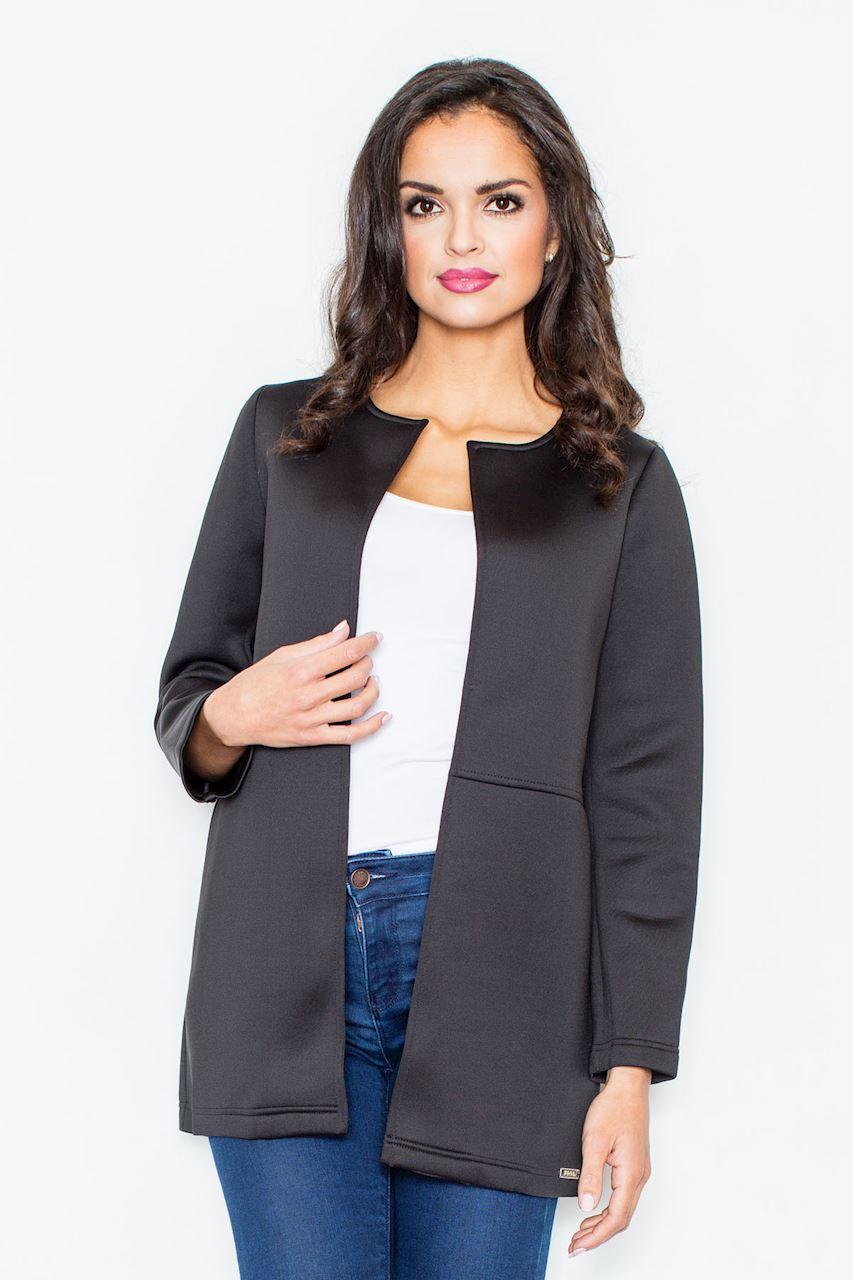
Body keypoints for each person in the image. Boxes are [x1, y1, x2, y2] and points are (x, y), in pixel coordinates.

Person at [155, 57, 703, 1279]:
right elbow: (191, 696)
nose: (461, 238)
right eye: (423, 203)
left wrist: (628, 1067)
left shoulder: (617, 486)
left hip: (511, 969)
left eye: (499, 201)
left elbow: (647, 796)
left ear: (554, 227)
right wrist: (235, 708)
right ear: (385, 227)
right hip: (283, 954)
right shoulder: (285, 438)